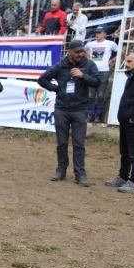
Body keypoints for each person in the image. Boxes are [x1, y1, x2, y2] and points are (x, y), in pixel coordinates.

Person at [37, 40, 100, 186]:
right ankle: (61, 169)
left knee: (79, 143)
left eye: (81, 51)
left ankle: (80, 174)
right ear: (69, 52)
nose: (80, 54)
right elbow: (42, 79)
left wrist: (83, 76)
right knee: (62, 142)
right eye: (77, 52)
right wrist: (56, 89)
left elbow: (97, 82)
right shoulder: (61, 65)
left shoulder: (89, 65)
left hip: (80, 109)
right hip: (62, 108)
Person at [104, 50, 134, 193]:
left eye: (129, 61)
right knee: (125, 151)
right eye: (126, 61)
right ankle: (123, 177)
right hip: (125, 119)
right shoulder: (132, 76)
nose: (126, 64)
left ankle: (133, 182)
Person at [84, 26, 119, 123]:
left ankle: (98, 115)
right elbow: (82, 50)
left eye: (100, 33)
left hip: (104, 71)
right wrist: (88, 58)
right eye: (96, 33)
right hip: (92, 71)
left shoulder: (110, 43)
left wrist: (112, 60)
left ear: (105, 33)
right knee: (91, 95)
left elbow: (121, 51)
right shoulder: (91, 44)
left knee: (100, 95)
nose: (97, 35)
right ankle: (90, 114)